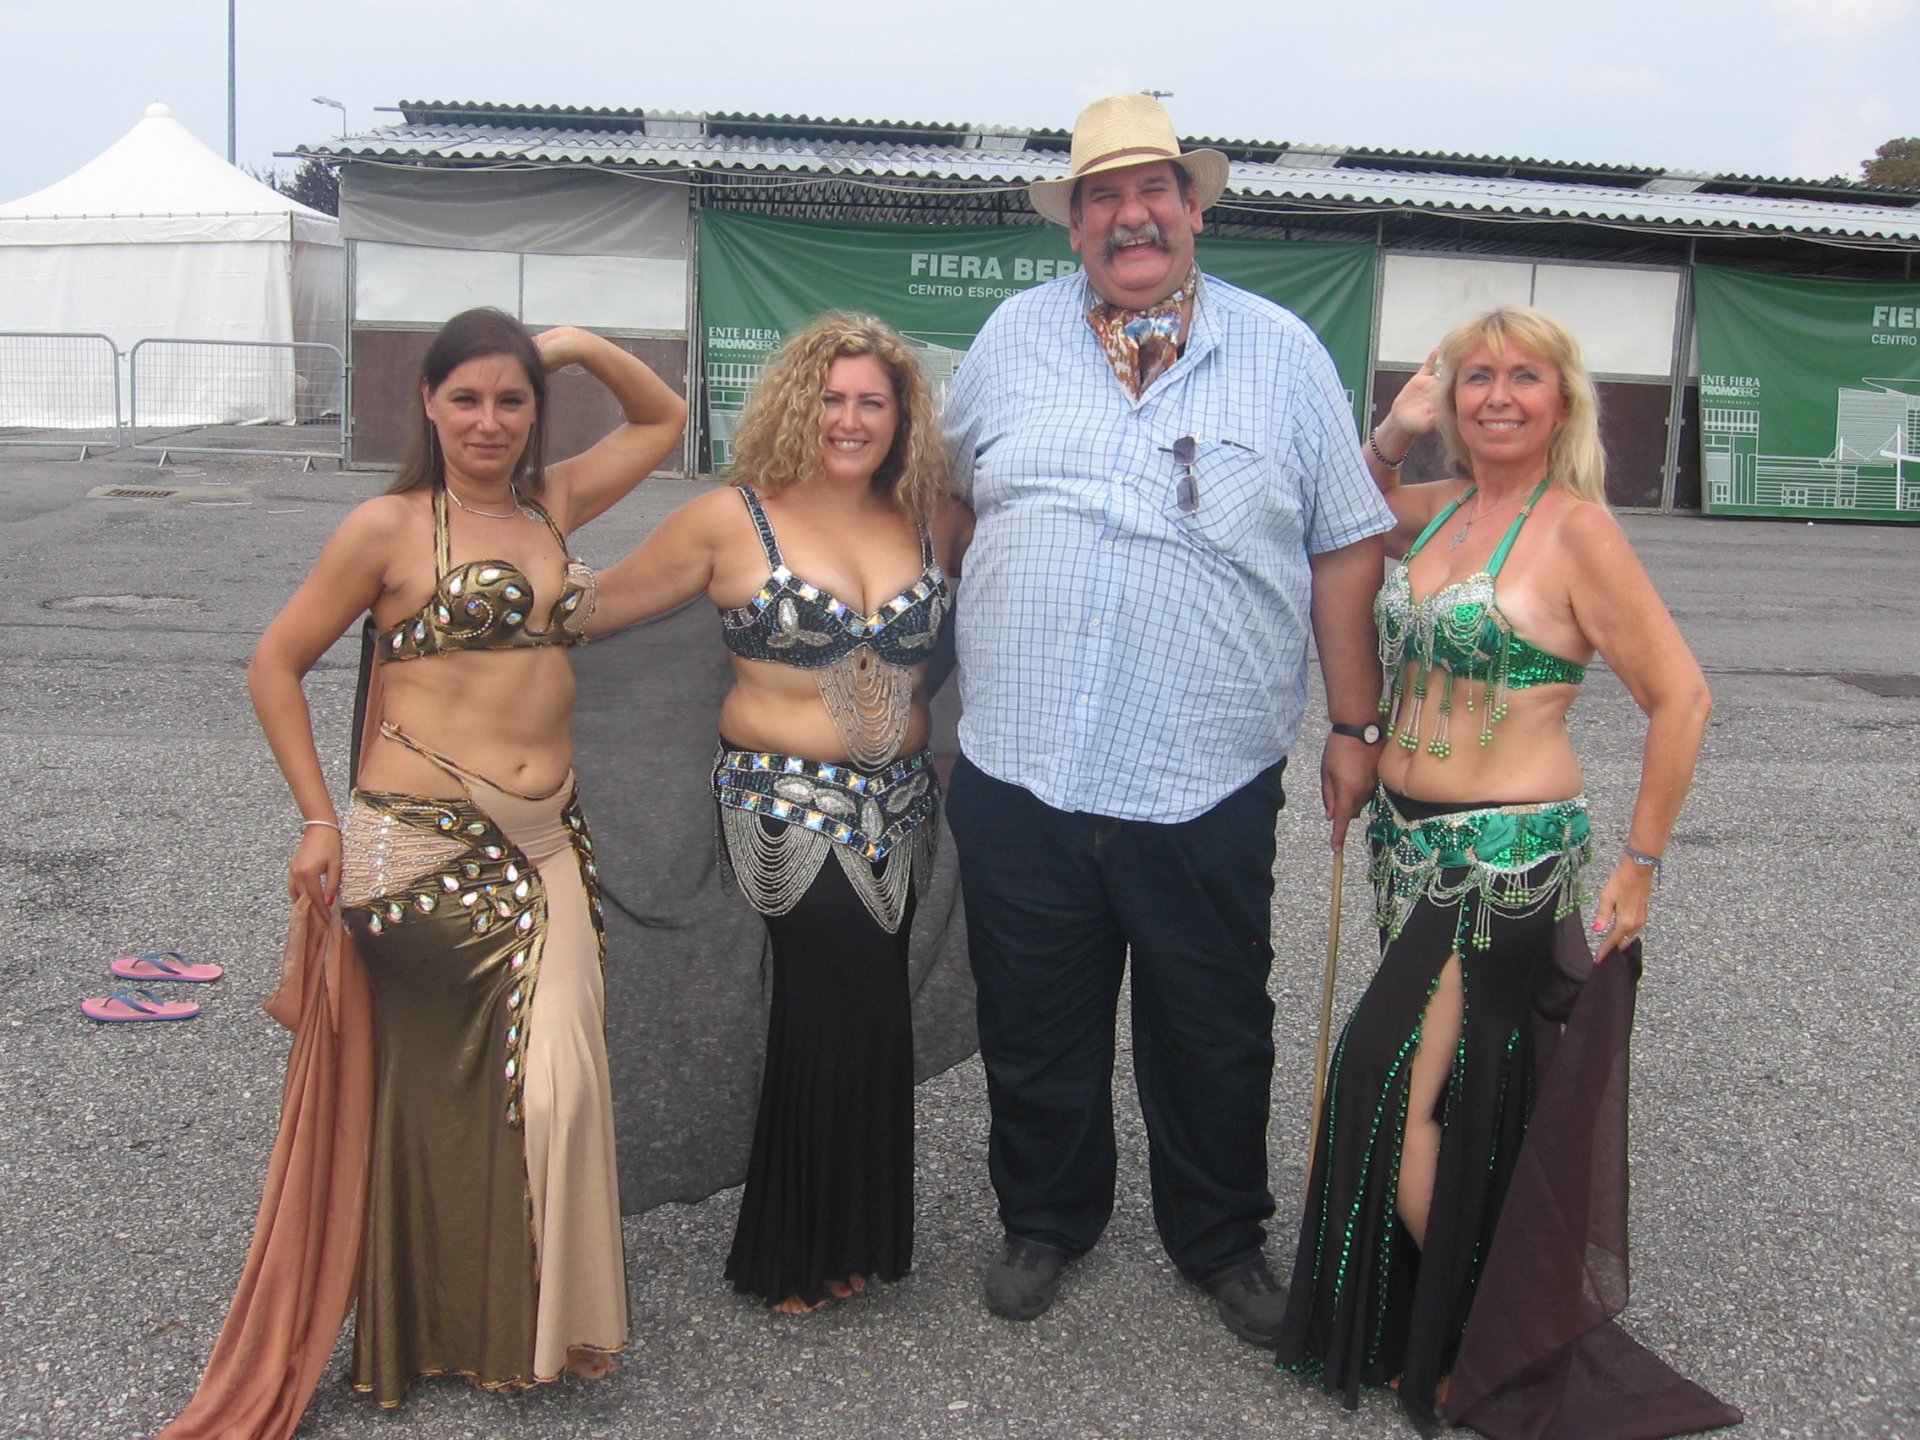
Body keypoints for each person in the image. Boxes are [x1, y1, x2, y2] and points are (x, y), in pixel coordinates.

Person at [164, 307, 686, 1436]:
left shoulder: (553, 505)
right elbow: (274, 664)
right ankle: (456, 1321)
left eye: (512, 399)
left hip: (549, 845)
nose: (489, 421)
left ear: (535, 410)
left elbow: (665, 419)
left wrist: (574, 344)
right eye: (467, 398)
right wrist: (316, 819)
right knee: (468, 1092)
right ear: (428, 404)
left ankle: (502, 1325)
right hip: (423, 850)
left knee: (549, 1087)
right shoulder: (388, 527)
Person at [940, 92, 1395, 1345]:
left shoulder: (1283, 353)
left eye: (1153, 191)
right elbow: (948, 499)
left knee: (1211, 1023)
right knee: (1033, 1019)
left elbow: (1346, 543)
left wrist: (1352, 726)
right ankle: (1046, 1219)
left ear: (1195, 210)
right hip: (1021, 763)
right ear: (1075, 223)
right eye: (1104, 196)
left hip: (1204, 769)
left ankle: (1221, 1238)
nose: (1130, 216)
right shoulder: (1012, 339)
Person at [1272, 307, 1735, 1437]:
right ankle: (1442, 1326)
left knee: (1381, 1077)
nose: (1496, 397)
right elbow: (1343, 514)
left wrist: (1641, 864)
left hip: (1501, 859)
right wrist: (1393, 430)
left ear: (1562, 399)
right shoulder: (1440, 512)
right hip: (1407, 845)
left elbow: (1682, 696)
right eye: (1475, 377)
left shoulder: (1578, 533)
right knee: (1468, 1091)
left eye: (1524, 377)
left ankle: (1498, 1338)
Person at [589, 313, 970, 1315]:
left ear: (903, 417)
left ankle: (850, 1235)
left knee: (871, 1010)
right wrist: (476, 577)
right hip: (780, 802)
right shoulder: (730, 519)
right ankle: (791, 1249)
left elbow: (968, 638)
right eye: (833, 398)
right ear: (801, 405)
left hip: (902, 810)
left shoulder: (934, 518)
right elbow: (594, 611)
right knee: (831, 1000)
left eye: (873, 402)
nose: (851, 420)